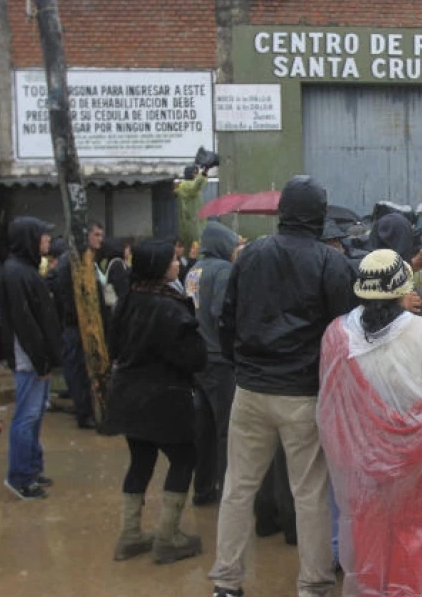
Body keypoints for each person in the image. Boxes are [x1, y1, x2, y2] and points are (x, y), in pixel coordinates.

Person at [209, 175, 356, 597]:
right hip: (303, 396)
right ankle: (313, 585)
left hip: (251, 391)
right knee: (309, 493)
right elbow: (343, 332)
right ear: (320, 215)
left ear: (282, 212)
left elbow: (228, 320)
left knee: (238, 488)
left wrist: (243, 367)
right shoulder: (330, 263)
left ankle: (226, 583)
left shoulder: (250, 255)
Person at [318, 249, 422, 597]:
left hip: (360, 465)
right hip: (417, 462)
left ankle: (370, 590)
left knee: (367, 533)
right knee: (412, 535)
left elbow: (331, 401)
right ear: (405, 289)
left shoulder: (336, 335)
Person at [107, 239, 207, 564]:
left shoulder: (127, 300)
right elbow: (195, 357)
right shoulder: (170, 307)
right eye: (172, 260)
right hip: (164, 399)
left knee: (140, 460)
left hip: (128, 397)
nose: (177, 263)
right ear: (159, 267)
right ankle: (167, 537)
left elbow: (114, 347)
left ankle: (129, 536)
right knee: (184, 458)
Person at [0, 217, 62, 500]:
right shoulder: (15, 272)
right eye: (42, 235)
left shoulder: (25, 269)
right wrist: (40, 360)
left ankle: (32, 469)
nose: (47, 240)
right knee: (26, 417)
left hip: (36, 357)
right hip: (29, 359)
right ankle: (20, 477)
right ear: (29, 238)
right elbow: (25, 323)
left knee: (35, 415)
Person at [185, 222, 239, 507]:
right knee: (225, 431)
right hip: (219, 360)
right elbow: (223, 313)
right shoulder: (223, 271)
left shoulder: (194, 269)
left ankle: (203, 488)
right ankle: (225, 491)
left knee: (203, 428)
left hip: (199, 358)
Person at [55, 221, 107, 429]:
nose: (100, 239)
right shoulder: (72, 262)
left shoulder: (89, 261)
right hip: (77, 326)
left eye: (101, 235)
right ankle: (83, 413)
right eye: (96, 235)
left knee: (87, 370)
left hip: (89, 324)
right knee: (77, 370)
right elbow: (67, 297)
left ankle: (88, 410)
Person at [175, 164, 208, 250]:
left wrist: (204, 174)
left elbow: (199, 184)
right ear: (189, 174)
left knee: (195, 249)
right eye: (195, 173)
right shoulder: (185, 185)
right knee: (194, 249)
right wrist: (204, 172)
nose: (196, 175)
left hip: (195, 224)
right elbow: (195, 186)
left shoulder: (191, 186)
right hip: (192, 225)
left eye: (197, 173)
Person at [101, 237, 131, 311]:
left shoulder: (111, 262)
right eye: (126, 248)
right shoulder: (117, 263)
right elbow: (121, 288)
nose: (129, 251)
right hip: (115, 306)